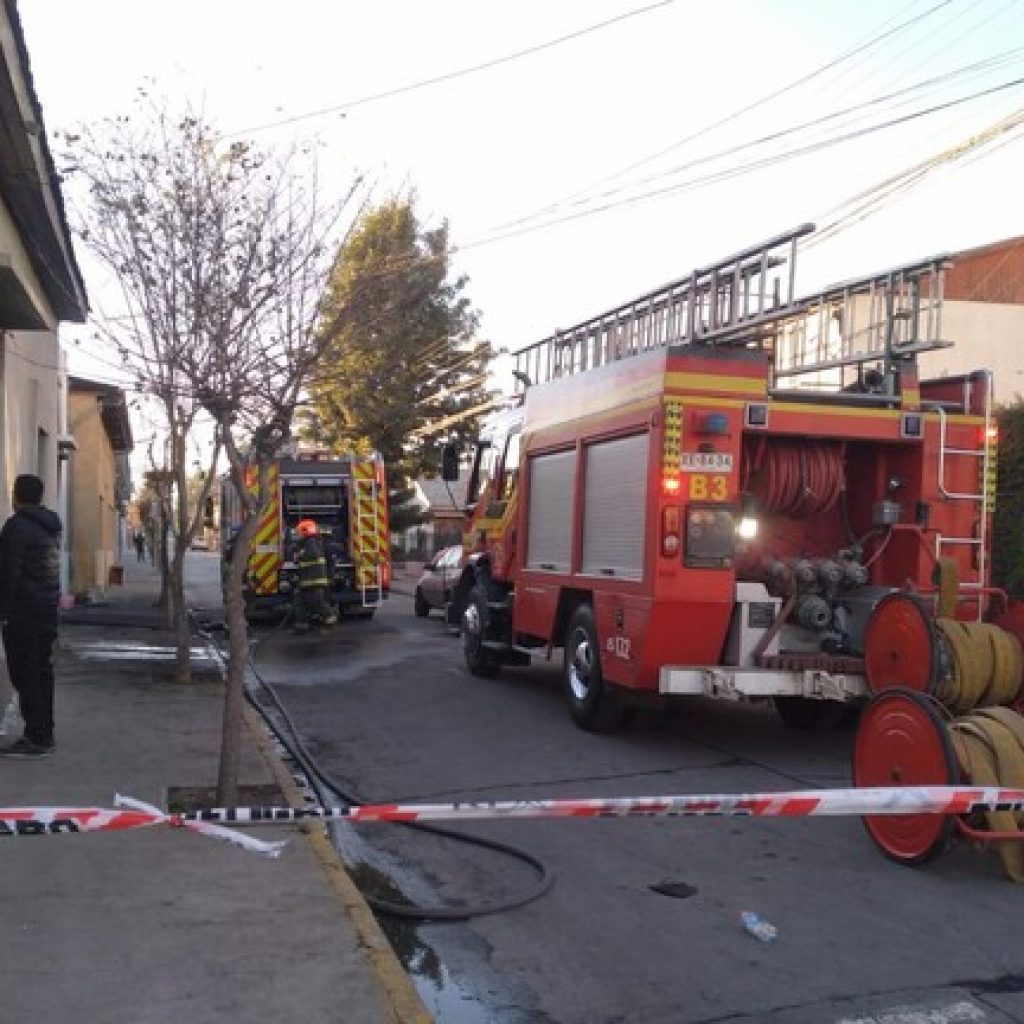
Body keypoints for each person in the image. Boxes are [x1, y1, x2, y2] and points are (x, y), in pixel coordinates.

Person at [0, 474, 62, 757]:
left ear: (17, 496)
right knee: (42, 672)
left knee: (25, 674)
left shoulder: (17, 528)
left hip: (24, 612)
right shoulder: (49, 526)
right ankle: (44, 732)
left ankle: (37, 737)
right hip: (47, 608)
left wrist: (4, 611)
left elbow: (9, 573)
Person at [291, 518, 337, 634]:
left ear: (306, 531)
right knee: (300, 603)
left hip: (314, 581)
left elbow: (312, 554)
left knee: (318, 602)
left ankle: (330, 622)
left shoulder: (311, 542)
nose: (299, 535)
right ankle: (301, 627)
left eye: (300, 532)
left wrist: (299, 555)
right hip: (308, 580)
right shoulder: (311, 542)